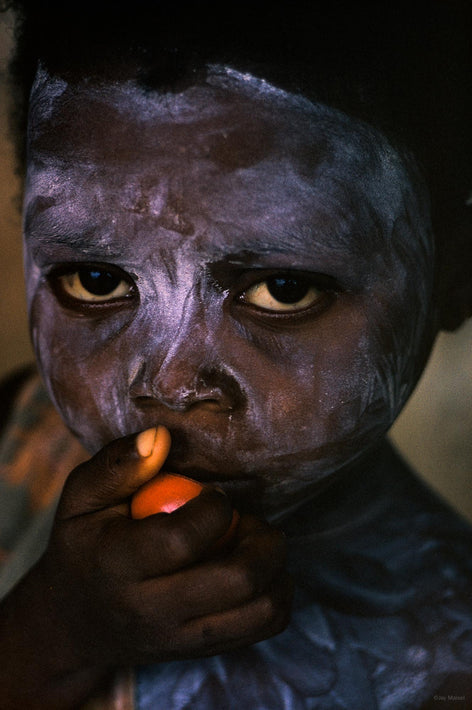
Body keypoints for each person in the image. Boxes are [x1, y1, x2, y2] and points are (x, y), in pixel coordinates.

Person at [0, 2, 471, 708]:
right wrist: (51, 635)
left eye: (282, 291)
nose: (170, 381)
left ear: (455, 273)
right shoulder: (18, 435)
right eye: (95, 280)